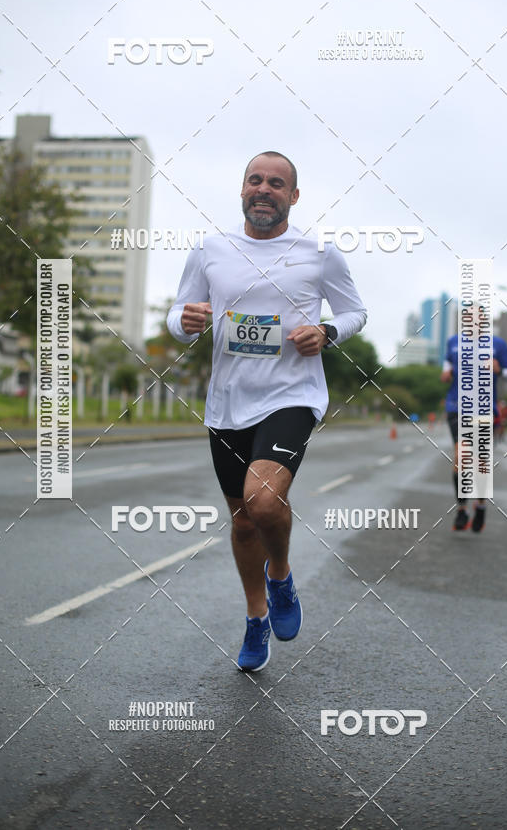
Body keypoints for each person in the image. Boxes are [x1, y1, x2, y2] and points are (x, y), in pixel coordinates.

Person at [166, 151, 367, 671]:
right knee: (242, 523)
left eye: (276, 183)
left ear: (293, 197)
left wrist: (327, 331)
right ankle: (256, 616)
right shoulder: (211, 249)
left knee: (262, 501)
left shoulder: (319, 252)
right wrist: (181, 320)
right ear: (241, 190)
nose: (264, 189)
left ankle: (280, 576)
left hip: (292, 396)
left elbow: (354, 311)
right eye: (255, 180)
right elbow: (178, 309)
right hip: (228, 404)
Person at [441, 333, 507, 532]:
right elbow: (447, 364)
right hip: (457, 406)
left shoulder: (498, 344)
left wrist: (499, 370)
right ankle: (462, 509)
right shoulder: (454, 341)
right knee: (461, 457)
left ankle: (481, 506)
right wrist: (446, 373)